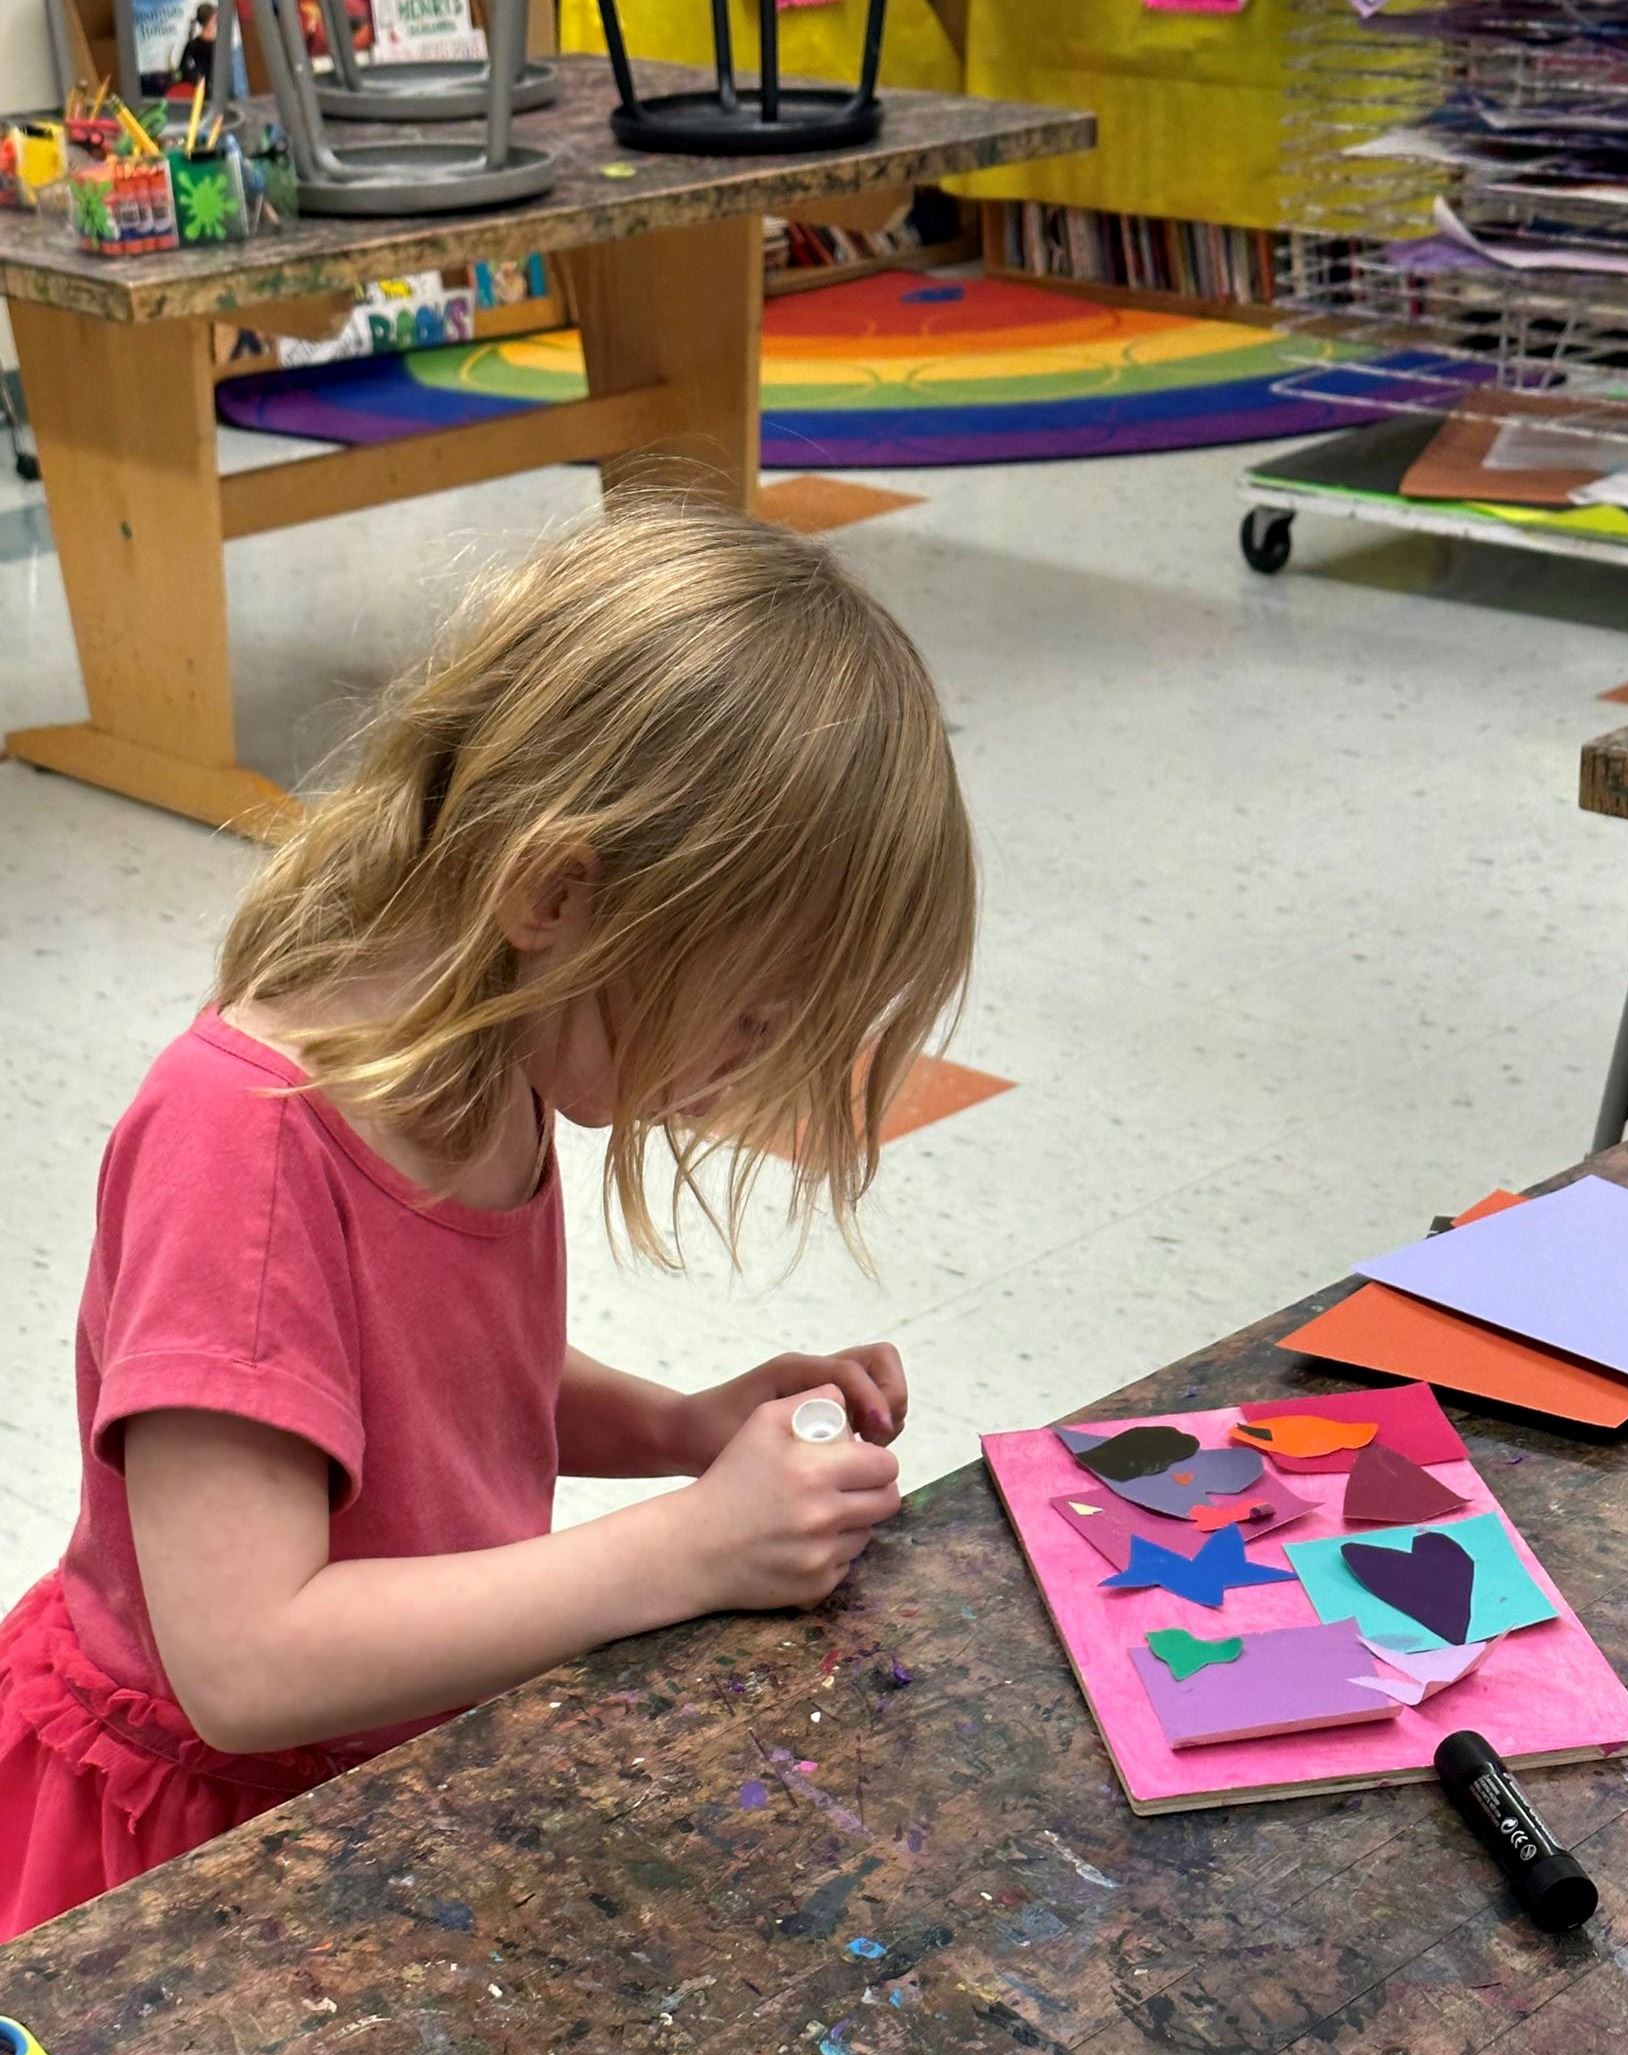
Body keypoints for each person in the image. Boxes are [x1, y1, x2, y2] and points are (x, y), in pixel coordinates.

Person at [0, 496, 976, 1942]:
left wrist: (680, 1428)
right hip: (204, 1836)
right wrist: (684, 1550)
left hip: (386, 1763)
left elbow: (425, 1384)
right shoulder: (245, 1146)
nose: (746, 1075)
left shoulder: (498, 1063)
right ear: (560, 892)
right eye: (752, 1013)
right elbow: (246, 1661)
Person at [176, 3, 218, 90]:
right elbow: (183, 69)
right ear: (210, 20)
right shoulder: (194, 45)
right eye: (215, 17)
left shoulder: (219, 43)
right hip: (203, 90)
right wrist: (198, 78)